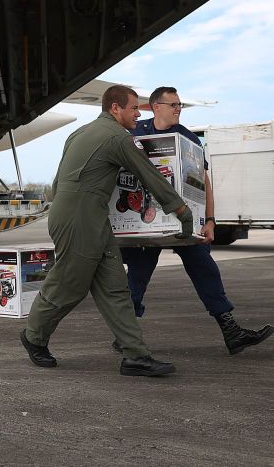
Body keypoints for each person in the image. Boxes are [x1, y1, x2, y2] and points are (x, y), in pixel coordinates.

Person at [21, 84, 192, 377]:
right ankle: (33, 336)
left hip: (86, 215)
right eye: (134, 108)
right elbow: (149, 174)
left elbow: (58, 181)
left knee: (115, 288)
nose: (139, 114)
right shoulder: (118, 138)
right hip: (80, 217)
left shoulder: (79, 133)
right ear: (116, 108)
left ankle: (135, 356)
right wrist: (180, 209)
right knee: (69, 284)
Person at [120, 87, 274, 355]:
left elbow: (203, 183)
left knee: (205, 269)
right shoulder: (134, 133)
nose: (178, 109)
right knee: (137, 278)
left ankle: (231, 332)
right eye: (173, 104)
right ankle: (124, 335)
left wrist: (211, 220)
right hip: (145, 220)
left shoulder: (188, 138)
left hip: (184, 219)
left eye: (180, 105)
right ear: (156, 106)